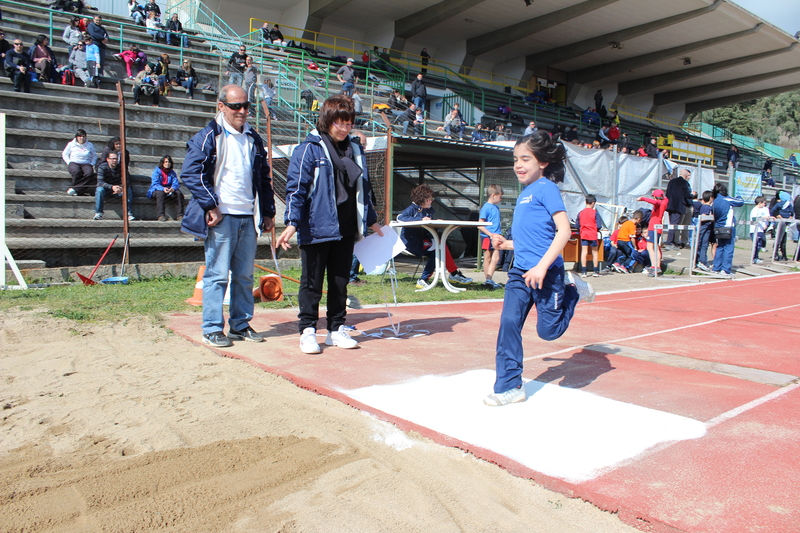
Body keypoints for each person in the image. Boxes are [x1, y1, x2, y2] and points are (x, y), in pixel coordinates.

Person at [484, 131, 595, 407]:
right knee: (508, 324)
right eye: (515, 159)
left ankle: (573, 290)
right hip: (520, 274)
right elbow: (531, 239)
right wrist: (506, 244)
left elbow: (564, 231)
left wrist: (543, 267)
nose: (518, 165)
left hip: (548, 274)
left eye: (525, 159)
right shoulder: (524, 195)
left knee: (549, 332)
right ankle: (510, 386)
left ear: (543, 162)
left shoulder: (546, 188)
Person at [276, 95, 383, 354]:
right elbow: (296, 190)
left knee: (339, 282)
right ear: (327, 120)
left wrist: (371, 220)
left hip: (346, 227)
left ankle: (336, 329)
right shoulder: (309, 149)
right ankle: (308, 331)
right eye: (340, 123)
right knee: (311, 282)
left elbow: (363, 189)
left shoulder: (355, 150)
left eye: (349, 124)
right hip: (316, 226)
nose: (344, 129)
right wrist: (291, 222)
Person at [180, 85, 276, 348]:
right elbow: (190, 173)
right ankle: (211, 328)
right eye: (236, 106)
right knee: (217, 275)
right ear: (221, 106)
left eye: (246, 106)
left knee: (244, 276)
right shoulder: (208, 136)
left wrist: (267, 212)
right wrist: (211, 205)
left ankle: (240, 325)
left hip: (247, 216)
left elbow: (264, 179)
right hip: (222, 218)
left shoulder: (253, 138)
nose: (242, 111)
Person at [397, 184, 473, 289]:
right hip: (413, 244)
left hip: (425, 241)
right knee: (439, 247)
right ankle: (451, 274)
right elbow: (400, 218)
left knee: (440, 246)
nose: (431, 201)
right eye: (429, 199)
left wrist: (435, 221)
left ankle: (428, 278)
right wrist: (420, 220)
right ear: (422, 199)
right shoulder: (412, 209)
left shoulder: (427, 210)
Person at [711, 183, 744, 275]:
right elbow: (740, 202)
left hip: (718, 226)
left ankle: (716, 267)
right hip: (728, 226)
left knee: (720, 247)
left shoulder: (714, 201)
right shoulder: (726, 199)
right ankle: (725, 269)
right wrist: (738, 196)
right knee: (728, 248)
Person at [94, 151, 135, 221]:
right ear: (108, 159)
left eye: (116, 159)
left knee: (128, 190)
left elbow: (127, 181)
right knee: (99, 190)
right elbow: (100, 182)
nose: (115, 160)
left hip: (119, 190)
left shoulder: (122, 168)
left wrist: (121, 188)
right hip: (106, 190)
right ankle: (99, 213)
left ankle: (128, 214)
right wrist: (112, 187)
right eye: (112, 159)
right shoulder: (102, 167)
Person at [637, 188, 668, 276]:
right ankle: (657, 266)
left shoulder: (658, 203)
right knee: (656, 247)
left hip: (653, 227)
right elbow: (665, 198)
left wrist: (642, 198)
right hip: (658, 227)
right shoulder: (665, 201)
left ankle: (654, 266)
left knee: (650, 247)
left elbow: (655, 202)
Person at [478, 184, 503, 289]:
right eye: (500, 197)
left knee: (496, 258)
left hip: (496, 236)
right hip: (488, 237)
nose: (501, 199)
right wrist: (490, 235)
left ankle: (489, 279)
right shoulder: (486, 208)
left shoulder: (496, 207)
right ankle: (488, 280)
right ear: (493, 195)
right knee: (487, 257)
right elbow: (480, 225)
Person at [148, 155, 184, 221]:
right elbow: (155, 184)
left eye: (169, 162)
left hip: (169, 190)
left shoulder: (172, 172)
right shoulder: (157, 171)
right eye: (166, 162)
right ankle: (161, 215)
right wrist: (163, 189)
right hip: (157, 190)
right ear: (162, 163)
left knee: (179, 193)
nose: (167, 163)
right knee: (160, 193)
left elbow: (175, 183)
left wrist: (173, 188)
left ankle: (180, 215)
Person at [664, 168, 693, 250]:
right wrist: (693, 195)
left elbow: (668, 193)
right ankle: (670, 242)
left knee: (672, 224)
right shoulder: (684, 183)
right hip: (678, 206)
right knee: (674, 225)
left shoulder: (672, 181)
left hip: (670, 205)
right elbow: (687, 195)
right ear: (686, 175)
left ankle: (671, 241)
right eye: (688, 175)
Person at [62, 129, 96, 196]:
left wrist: (92, 163)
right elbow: (65, 154)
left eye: (83, 136)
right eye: (80, 136)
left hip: (86, 163)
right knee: (76, 172)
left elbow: (94, 155)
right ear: (76, 137)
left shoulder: (90, 145)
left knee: (89, 173)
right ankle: (78, 191)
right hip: (74, 162)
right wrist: (69, 162)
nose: (82, 138)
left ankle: (74, 189)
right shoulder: (71, 144)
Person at [578, 194, 604, 277]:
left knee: (584, 252)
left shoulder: (580, 213)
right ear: (593, 203)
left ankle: (584, 271)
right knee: (595, 252)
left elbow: (577, 225)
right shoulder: (595, 213)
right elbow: (599, 225)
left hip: (584, 234)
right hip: (592, 234)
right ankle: (595, 271)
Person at [770, 190, 794, 261]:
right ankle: (776, 254)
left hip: (784, 221)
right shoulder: (777, 202)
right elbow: (772, 210)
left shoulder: (784, 203)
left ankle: (783, 254)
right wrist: (777, 215)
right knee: (779, 238)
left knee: (782, 238)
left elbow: (773, 210)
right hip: (781, 221)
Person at [695, 190, 715, 271]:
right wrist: (712, 217)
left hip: (707, 228)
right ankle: (701, 261)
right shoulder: (706, 207)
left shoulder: (708, 207)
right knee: (703, 244)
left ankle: (701, 260)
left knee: (704, 244)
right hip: (704, 228)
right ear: (710, 198)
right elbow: (703, 217)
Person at [750, 196, 769, 264]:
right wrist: (762, 217)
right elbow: (754, 218)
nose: (764, 205)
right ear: (760, 203)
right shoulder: (754, 210)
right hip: (754, 230)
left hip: (760, 230)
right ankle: (754, 258)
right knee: (756, 245)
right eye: (764, 203)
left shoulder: (763, 210)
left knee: (760, 245)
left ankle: (756, 257)